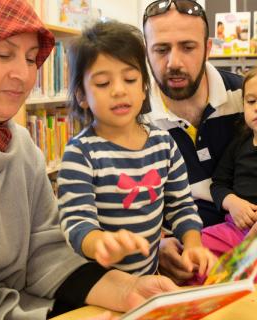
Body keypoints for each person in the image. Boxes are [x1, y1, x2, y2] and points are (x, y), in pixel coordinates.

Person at [0, 0, 180, 319]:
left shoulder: (22, 147)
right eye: (3, 54)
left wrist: (126, 289)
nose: (23, 74)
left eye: (30, 58)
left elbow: (44, 251)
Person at [57, 20, 215, 278]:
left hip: (149, 281)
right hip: (101, 284)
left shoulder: (163, 144)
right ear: (82, 96)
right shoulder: (81, 153)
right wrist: (99, 243)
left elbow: (181, 205)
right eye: (103, 83)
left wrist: (193, 244)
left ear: (144, 89)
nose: (119, 91)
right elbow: (76, 221)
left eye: (130, 79)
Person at [142, 0, 243, 283]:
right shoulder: (132, 120)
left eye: (188, 47)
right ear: (145, 52)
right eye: (161, 50)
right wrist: (156, 247)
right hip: (175, 275)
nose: (174, 63)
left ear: (208, 49)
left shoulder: (246, 98)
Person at [201, 67, 257, 257]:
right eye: (251, 101)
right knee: (197, 251)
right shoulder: (239, 143)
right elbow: (218, 184)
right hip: (236, 228)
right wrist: (232, 203)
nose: (256, 107)